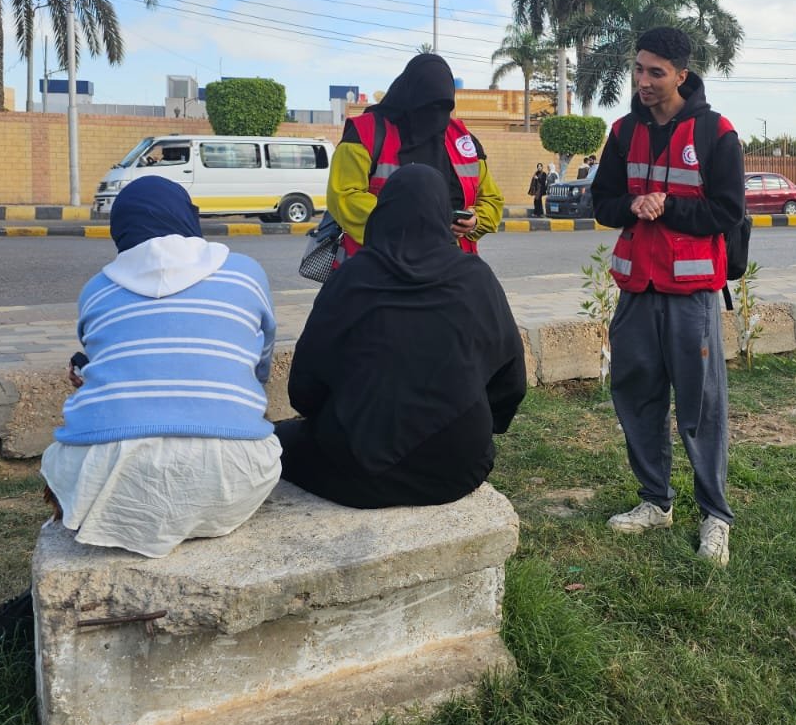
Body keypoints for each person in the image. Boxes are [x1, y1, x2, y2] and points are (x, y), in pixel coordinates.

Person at [40, 176, 281, 558]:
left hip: (104, 482)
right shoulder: (246, 272)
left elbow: (106, 359)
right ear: (188, 216)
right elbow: (261, 361)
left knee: (61, 452)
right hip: (232, 480)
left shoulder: (96, 290)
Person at [275, 164, 526, 508]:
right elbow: (510, 379)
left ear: (383, 213)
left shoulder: (353, 276)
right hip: (457, 469)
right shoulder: (476, 278)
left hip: (353, 469)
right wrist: (479, 426)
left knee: (277, 440)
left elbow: (305, 385)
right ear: (443, 215)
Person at [589, 26, 745, 567]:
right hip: (637, 289)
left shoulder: (716, 133)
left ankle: (716, 516)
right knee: (636, 396)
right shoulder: (622, 132)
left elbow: (728, 212)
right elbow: (602, 202)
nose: (644, 80)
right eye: (639, 69)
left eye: (656, 72)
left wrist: (668, 206)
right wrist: (633, 205)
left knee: (701, 407)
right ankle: (655, 501)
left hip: (691, 294)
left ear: (682, 74)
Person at [327, 53, 504, 260]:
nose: (435, 115)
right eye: (427, 105)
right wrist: (413, 224)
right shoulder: (365, 133)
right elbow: (343, 196)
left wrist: (474, 221)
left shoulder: (463, 141)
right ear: (409, 96)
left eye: (443, 107)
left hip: (451, 267)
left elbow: (492, 200)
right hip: (382, 266)